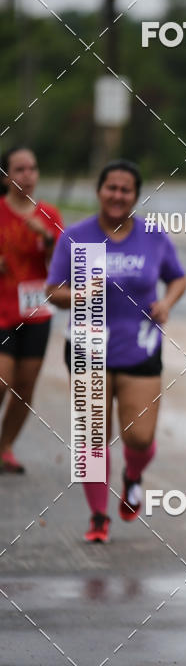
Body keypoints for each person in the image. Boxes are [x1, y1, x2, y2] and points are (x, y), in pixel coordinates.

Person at [46, 160, 186, 542]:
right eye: (111, 187)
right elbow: (52, 291)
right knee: (93, 436)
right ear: (99, 191)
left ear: (135, 196)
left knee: (139, 438)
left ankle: (134, 475)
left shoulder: (152, 236)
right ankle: (97, 517)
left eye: (125, 190)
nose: (117, 195)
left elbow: (177, 277)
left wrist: (168, 303)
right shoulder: (77, 236)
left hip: (140, 345)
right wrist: (77, 295)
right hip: (89, 345)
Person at [0, 146, 63, 473]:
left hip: (37, 311)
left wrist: (49, 240)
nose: (27, 175)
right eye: (20, 169)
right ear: (7, 176)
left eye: (32, 168)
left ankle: (5, 447)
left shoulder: (49, 215)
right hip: (2, 310)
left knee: (25, 385)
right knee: (2, 379)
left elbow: (63, 269)